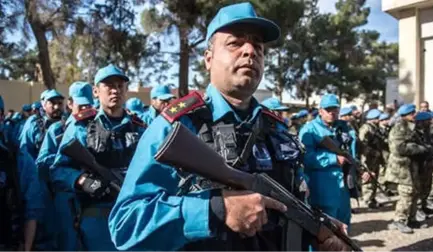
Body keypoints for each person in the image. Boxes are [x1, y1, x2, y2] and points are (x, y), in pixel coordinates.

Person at [109, 3, 348, 252]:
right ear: (209, 59)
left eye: (258, 46)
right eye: (235, 43)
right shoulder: (177, 127)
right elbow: (126, 223)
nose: (250, 51)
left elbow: (292, 204)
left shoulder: (276, 129)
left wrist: (317, 232)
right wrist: (214, 211)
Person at [50, 64, 146, 252]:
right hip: (96, 219)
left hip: (133, 216)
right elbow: (57, 170)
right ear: (95, 91)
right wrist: (82, 180)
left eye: (120, 86)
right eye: (108, 85)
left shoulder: (139, 128)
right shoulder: (81, 126)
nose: (115, 90)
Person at [36, 82, 94, 252]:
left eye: (88, 105)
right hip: (64, 196)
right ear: (70, 104)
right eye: (80, 105)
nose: (84, 109)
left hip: (91, 197)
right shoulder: (57, 129)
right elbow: (42, 163)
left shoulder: (95, 128)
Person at [299, 94, 370, 228]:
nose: (332, 113)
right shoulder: (309, 130)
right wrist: (333, 159)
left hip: (344, 186)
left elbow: (351, 154)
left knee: (344, 225)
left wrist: (361, 171)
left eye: (335, 109)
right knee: (325, 230)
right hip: (323, 187)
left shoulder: (345, 128)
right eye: (328, 109)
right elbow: (305, 158)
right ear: (320, 111)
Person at [18, 89, 65, 252]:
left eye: (60, 103)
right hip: (38, 180)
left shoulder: (67, 124)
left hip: (61, 182)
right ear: (43, 104)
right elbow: (24, 151)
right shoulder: (33, 123)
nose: (57, 107)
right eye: (52, 103)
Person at [386, 104, 431, 234]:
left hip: (412, 166)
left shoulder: (412, 127)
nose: (415, 115)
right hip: (402, 167)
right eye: (413, 113)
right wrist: (421, 149)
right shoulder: (399, 128)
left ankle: (412, 219)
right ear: (407, 115)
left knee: (415, 192)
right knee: (406, 193)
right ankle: (399, 220)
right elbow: (400, 147)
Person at [358, 109, 383, 209]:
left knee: (374, 178)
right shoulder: (366, 128)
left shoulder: (374, 128)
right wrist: (372, 152)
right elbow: (362, 144)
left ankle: (372, 198)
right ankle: (367, 199)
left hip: (374, 158)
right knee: (368, 178)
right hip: (368, 158)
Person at [413, 112, 433, 220]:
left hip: (428, 162)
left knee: (427, 186)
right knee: (418, 188)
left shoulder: (427, 131)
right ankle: (418, 209)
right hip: (419, 164)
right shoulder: (414, 132)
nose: (430, 122)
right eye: (428, 120)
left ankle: (424, 206)